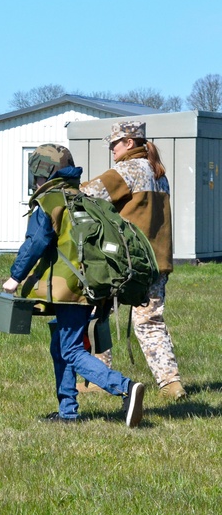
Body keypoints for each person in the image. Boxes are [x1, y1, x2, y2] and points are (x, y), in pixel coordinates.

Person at [2, 144, 145, 427]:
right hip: (89, 286)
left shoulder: (50, 201)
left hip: (68, 290)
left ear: (42, 173)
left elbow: (36, 243)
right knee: (61, 346)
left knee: (70, 350)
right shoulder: (83, 198)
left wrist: (15, 277)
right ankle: (68, 412)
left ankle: (126, 387)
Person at [78, 121, 185, 399]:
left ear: (129, 142)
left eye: (114, 143)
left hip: (125, 264)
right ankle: (171, 384)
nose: (111, 149)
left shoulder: (126, 170)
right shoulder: (158, 172)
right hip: (157, 262)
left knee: (96, 315)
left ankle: (99, 379)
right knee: (151, 323)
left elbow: (86, 195)